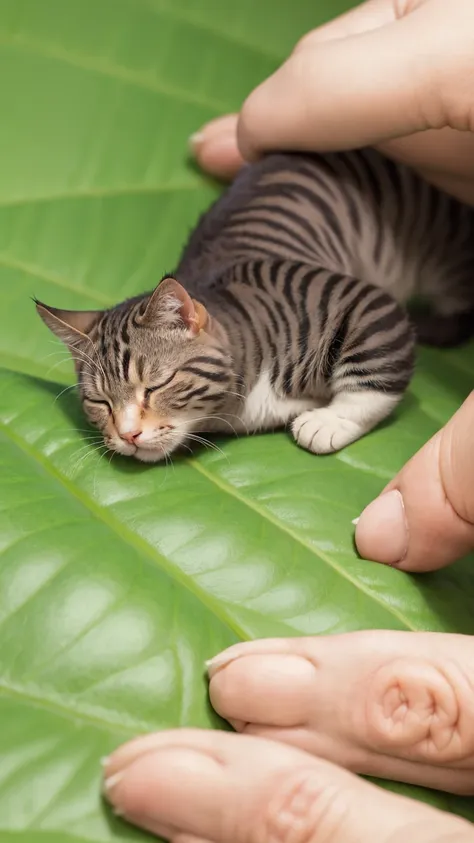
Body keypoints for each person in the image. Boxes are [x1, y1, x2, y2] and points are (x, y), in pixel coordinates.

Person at [102, 1, 474, 839]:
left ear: (192, 320)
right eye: (107, 405)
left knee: (446, 289)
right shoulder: (186, 349)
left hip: (417, 224)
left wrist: (351, 408)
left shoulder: (271, 323)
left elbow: (379, 318)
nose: (126, 429)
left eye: (146, 395)